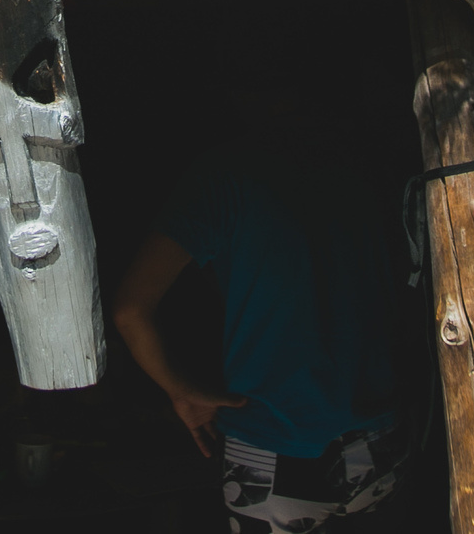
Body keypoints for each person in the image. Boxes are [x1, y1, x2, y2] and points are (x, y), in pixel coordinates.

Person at [111, 96, 409, 533]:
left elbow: (129, 309)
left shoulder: (225, 174)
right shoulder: (370, 161)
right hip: (380, 441)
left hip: (269, 449)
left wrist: (181, 390)